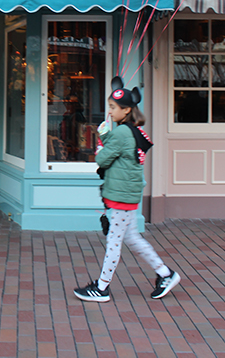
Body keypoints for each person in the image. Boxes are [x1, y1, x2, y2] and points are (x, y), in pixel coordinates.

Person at [74, 86, 181, 302]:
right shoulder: (131, 130)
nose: (110, 112)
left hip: (122, 196)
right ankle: (165, 274)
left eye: (113, 108)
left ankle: (102, 287)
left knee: (114, 242)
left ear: (126, 110)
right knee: (132, 238)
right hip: (127, 194)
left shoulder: (122, 132)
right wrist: (106, 136)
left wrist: (102, 136)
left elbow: (102, 159)